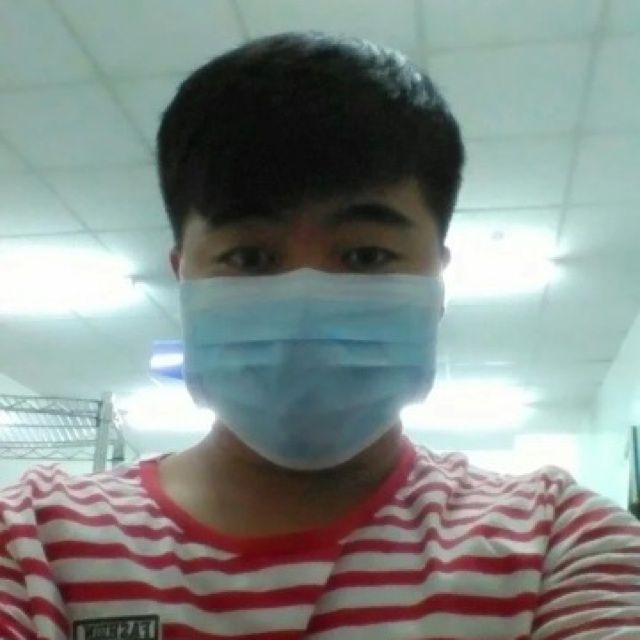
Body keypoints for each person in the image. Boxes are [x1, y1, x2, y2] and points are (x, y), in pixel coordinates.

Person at [1, 32, 639, 640]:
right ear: (183, 277)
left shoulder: (557, 543)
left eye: (365, 255)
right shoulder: (33, 544)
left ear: (438, 281)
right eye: (250, 257)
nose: (306, 302)